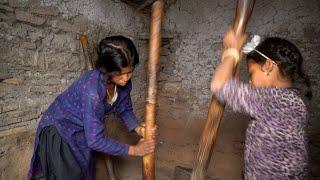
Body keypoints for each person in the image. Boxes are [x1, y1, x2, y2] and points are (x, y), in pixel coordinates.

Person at [28, 35, 157, 180]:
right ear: (107, 70)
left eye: (130, 71)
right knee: (68, 175)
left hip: (82, 130)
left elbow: (124, 108)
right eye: (121, 74)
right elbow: (95, 140)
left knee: (83, 171)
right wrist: (134, 150)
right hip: (61, 130)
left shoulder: (123, 83)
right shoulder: (92, 89)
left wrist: (139, 129)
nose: (126, 78)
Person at [211, 30, 311, 179]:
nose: (250, 81)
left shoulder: (273, 100)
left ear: (268, 66)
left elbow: (220, 85)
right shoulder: (293, 102)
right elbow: (234, 88)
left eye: (251, 73)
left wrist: (232, 51)